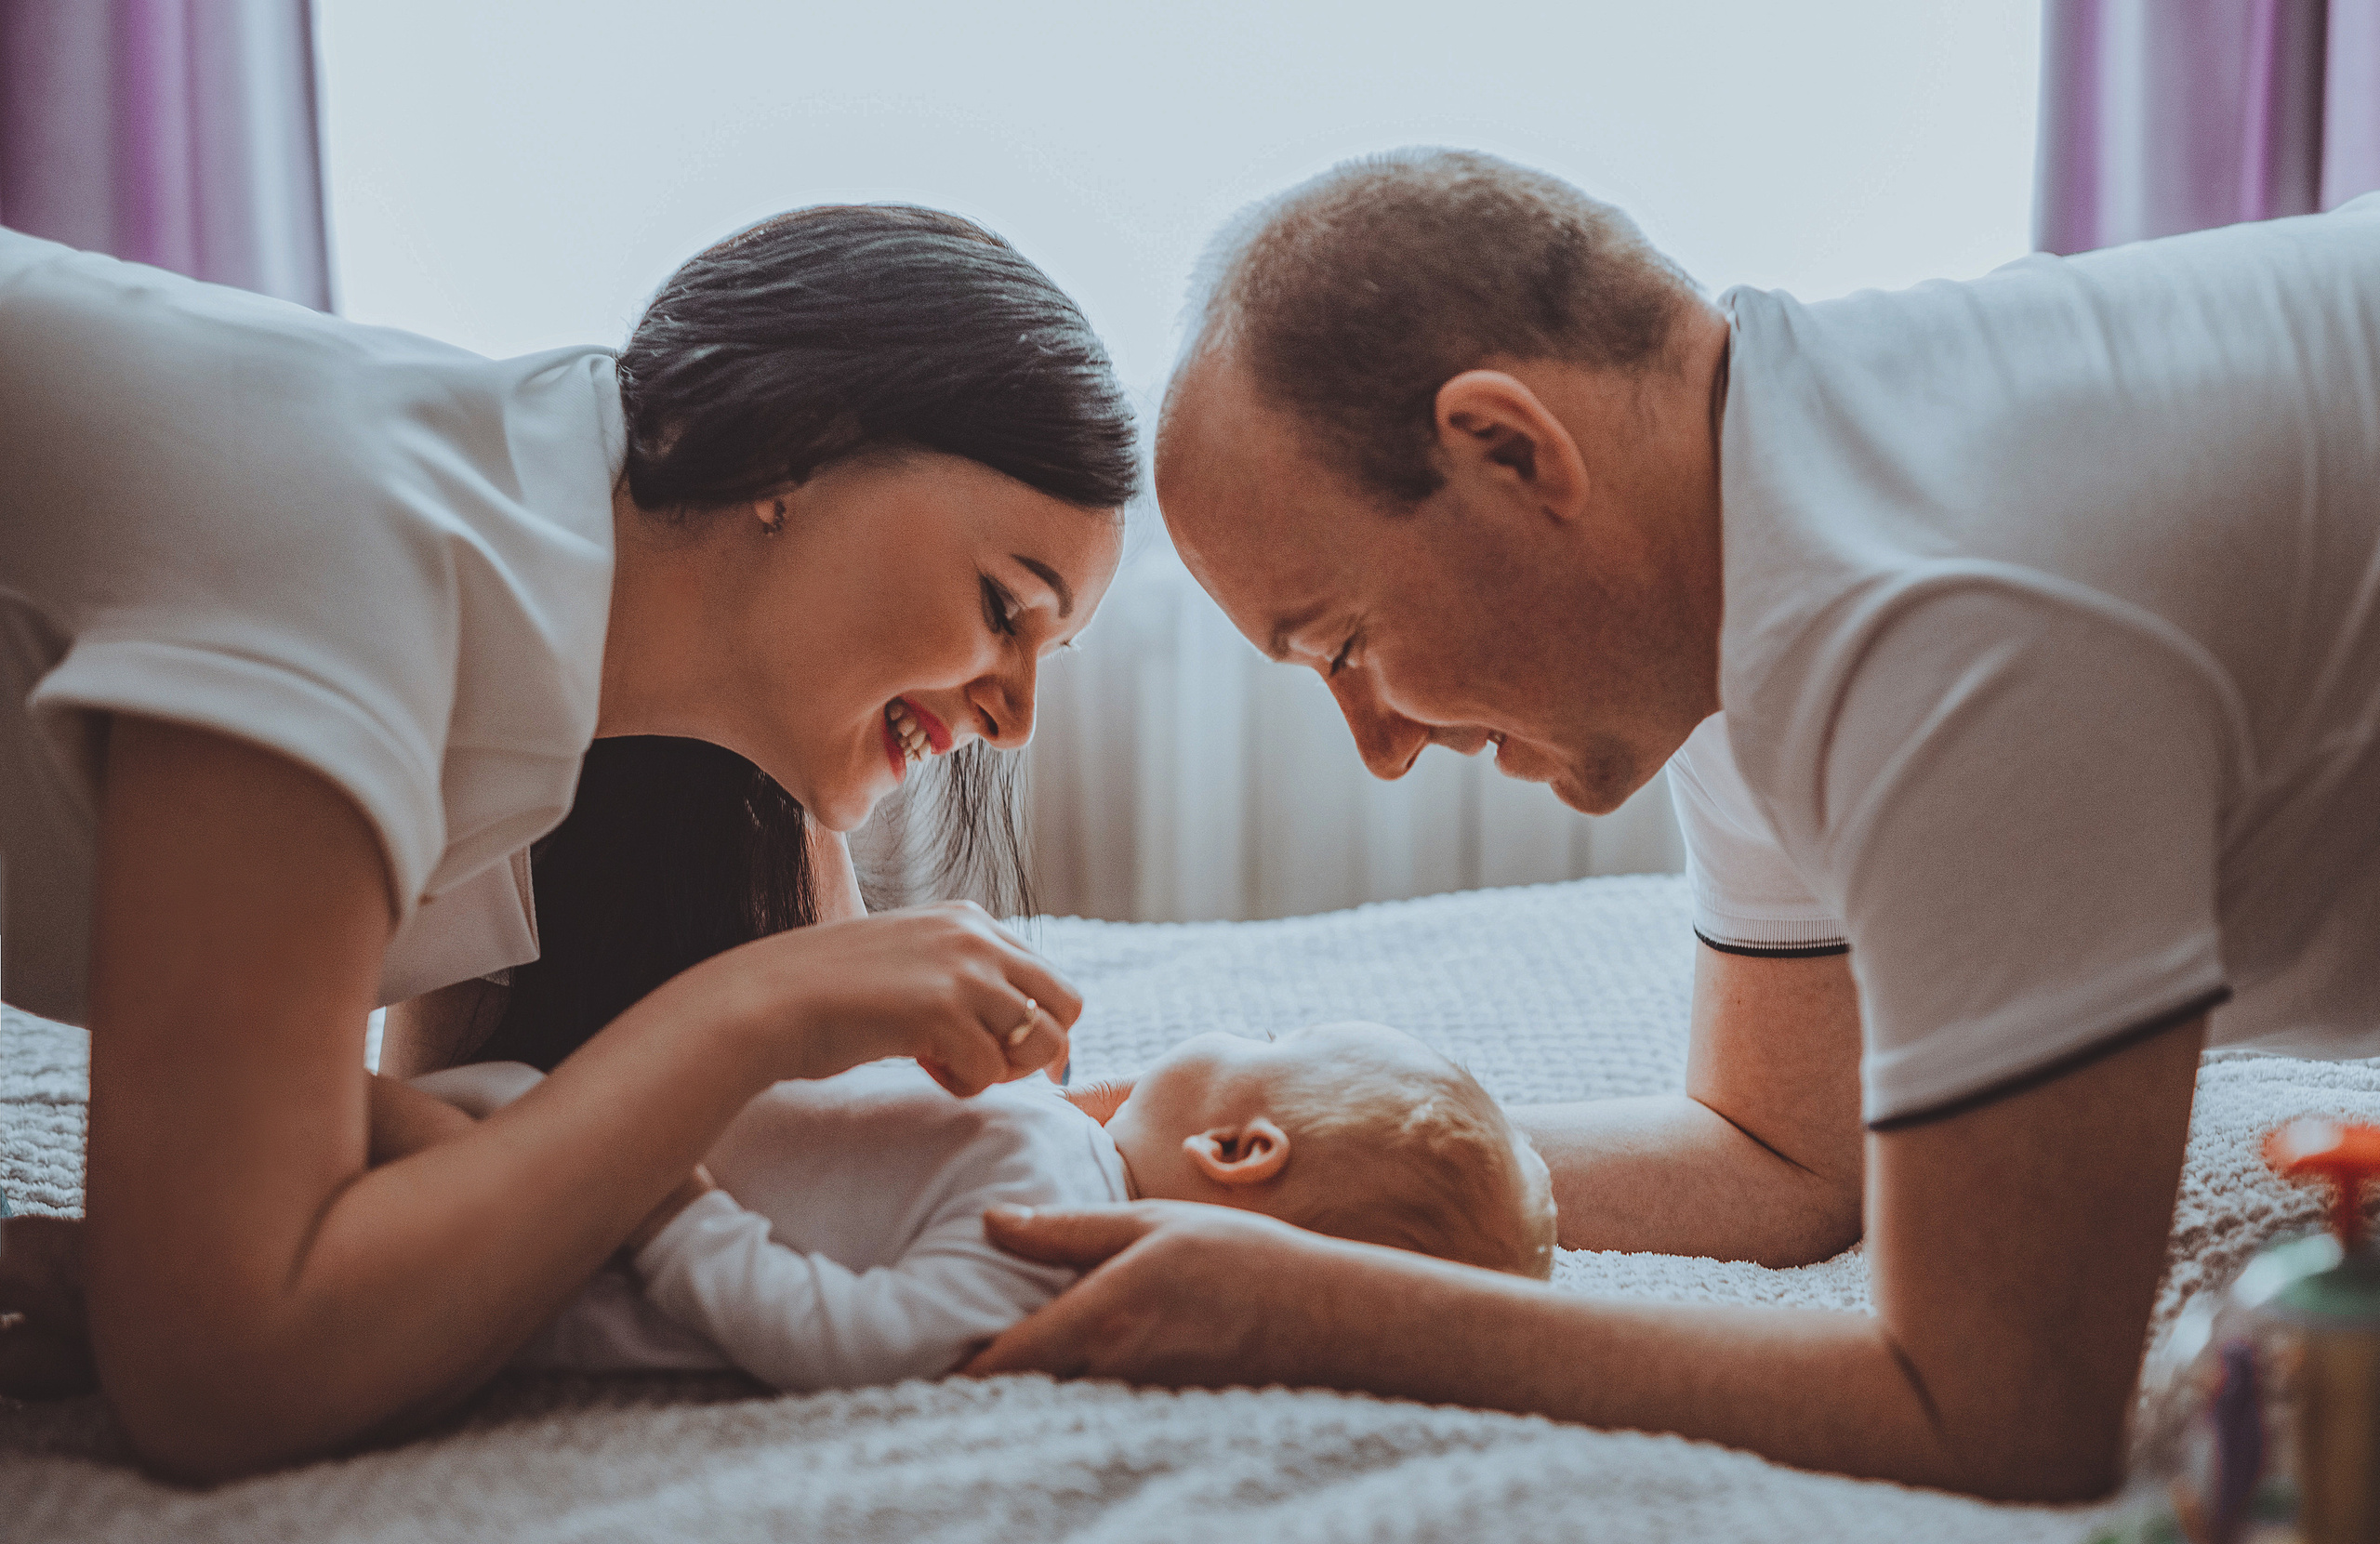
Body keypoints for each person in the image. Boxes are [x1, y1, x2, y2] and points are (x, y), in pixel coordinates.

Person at [968, 149, 2380, 1502]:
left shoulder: (1934, 621)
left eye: (1344, 643)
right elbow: (1785, 1158)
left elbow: (2007, 1409)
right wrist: (1279, 1154)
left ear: (1510, 450)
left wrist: (1330, 1314)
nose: (1382, 748)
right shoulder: (1747, 554)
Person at [0, 204, 1136, 1479]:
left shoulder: (565, 644)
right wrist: (744, 1014)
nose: (1018, 717)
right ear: (796, 454)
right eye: (1005, 608)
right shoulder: (369, 562)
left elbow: (434, 1163)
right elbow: (213, 1378)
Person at [394, 1022, 1553, 1392]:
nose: (1232, 1027)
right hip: (563, 1149)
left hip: (559, 1241)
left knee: (394, 1135)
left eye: (1264, 1040)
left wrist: (666, 1207)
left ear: (1237, 1148)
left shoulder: (1051, 1241)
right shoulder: (1062, 1156)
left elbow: (844, 1340)